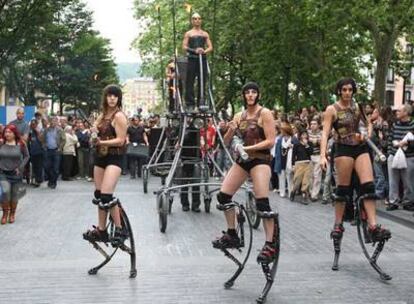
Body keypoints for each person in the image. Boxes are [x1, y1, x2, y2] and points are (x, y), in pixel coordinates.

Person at [212, 82, 277, 263]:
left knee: (262, 202)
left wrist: (249, 147)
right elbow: (225, 143)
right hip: (243, 161)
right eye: (247, 92)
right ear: (243, 95)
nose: (250, 95)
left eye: (253, 92)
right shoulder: (239, 115)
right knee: (223, 196)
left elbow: (271, 141)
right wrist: (231, 130)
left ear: (258, 94)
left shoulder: (265, 113)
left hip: (260, 160)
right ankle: (232, 233)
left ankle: (270, 243)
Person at [320, 78, 391, 242]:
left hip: (360, 148)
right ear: (339, 91)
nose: (347, 93)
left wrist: (366, 133)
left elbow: (368, 124)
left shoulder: (357, 106)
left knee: (369, 186)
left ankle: (373, 226)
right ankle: (338, 224)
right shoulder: (332, 109)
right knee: (343, 190)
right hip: (343, 148)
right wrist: (323, 155)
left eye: (350, 90)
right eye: (344, 90)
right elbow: (324, 133)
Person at [83, 85, 128, 245]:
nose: (112, 98)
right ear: (105, 97)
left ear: (118, 98)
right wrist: (93, 134)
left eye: (115, 96)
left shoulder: (120, 116)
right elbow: (94, 132)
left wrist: (101, 141)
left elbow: (121, 140)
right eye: (109, 95)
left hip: (115, 157)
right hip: (100, 157)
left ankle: (120, 228)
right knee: (98, 194)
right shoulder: (101, 116)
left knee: (106, 195)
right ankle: (101, 230)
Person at [386, 104, 414, 210]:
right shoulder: (395, 125)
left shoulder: (413, 125)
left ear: (406, 113)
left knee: (408, 181)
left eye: (399, 111)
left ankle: (408, 202)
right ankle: (393, 201)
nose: (397, 112)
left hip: (408, 156)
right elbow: (390, 138)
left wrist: (407, 143)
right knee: (393, 180)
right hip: (394, 155)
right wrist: (390, 153)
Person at [182, 13, 213, 111]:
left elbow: (210, 47)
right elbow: (184, 47)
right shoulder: (189, 33)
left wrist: (204, 51)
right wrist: (193, 50)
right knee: (189, 81)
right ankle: (190, 103)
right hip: (192, 58)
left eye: (199, 19)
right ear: (192, 21)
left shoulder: (205, 34)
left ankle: (201, 102)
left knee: (202, 80)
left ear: (201, 20)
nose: (197, 20)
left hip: (202, 59)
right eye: (195, 19)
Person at [0, 124, 29, 224]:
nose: (7, 134)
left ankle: (12, 214)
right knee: (5, 191)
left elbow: (26, 156)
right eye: (5, 132)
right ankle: (4, 214)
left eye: (9, 132)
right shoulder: (1, 143)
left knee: (14, 195)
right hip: (3, 172)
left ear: (14, 133)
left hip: (16, 174)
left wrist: (20, 167)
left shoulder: (20, 144)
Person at [42, 116, 66, 189]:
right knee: (47, 167)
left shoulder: (60, 130)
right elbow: (43, 139)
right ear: (49, 122)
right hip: (48, 150)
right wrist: (44, 146)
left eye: (54, 121)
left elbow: (63, 140)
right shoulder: (46, 130)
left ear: (56, 122)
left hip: (56, 150)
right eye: (52, 121)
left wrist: (60, 148)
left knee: (55, 168)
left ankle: (53, 182)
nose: (53, 122)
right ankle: (50, 180)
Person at [290, 130, 313, 204]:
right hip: (299, 164)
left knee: (306, 181)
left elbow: (311, 153)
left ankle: (304, 196)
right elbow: (293, 155)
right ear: (300, 136)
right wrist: (293, 165)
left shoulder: (309, 143)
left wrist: (306, 145)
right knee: (297, 180)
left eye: (305, 134)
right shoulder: (296, 144)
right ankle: (293, 192)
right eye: (302, 134)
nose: (304, 136)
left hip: (308, 163)